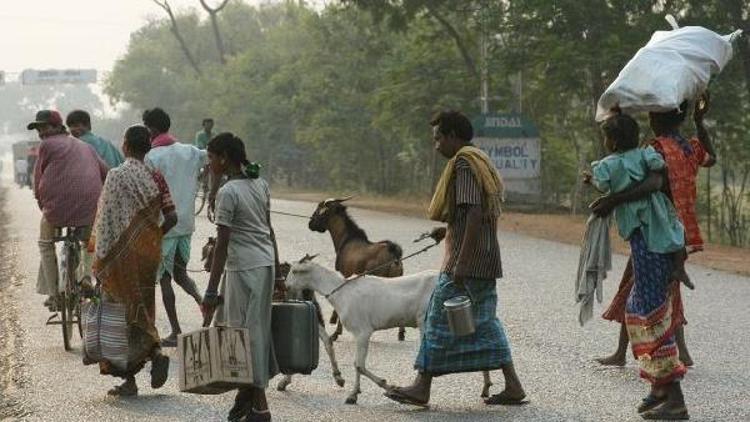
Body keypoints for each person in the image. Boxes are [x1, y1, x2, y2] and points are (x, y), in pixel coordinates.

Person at [384, 110, 526, 407]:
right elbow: (470, 213)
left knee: (436, 318)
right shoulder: (480, 158)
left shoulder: (463, 162)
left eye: (438, 138)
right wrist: (448, 230)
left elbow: (473, 211)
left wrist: (460, 261)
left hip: (468, 263)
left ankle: (421, 387)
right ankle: (513, 385)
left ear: (452, 136)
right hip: (486, 258)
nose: (435, 145)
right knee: (485, 321)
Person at [591, 94, 716, 420]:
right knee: (644, 302)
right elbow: (710, 158)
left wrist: (613, 198)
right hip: (674, 231)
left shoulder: (654, 149)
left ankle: (671, 393)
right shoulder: (688, 146)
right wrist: (700, 123)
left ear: (657, 118)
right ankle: (658, 386)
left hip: (655, 232)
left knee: (650, 309)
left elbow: (652, 181)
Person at [201, 132, 283, 422]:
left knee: (244, 337)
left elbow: (222, 245)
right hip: (263, 266)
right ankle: (246, 397)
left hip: (244, 270)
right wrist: (279, 275)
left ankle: (260, 407)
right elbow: (269, 230)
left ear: (224, 158)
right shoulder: (259, 183)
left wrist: (211, 292)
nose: (208, 163)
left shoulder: (228, 193)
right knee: (255, 332)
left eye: (211, 158)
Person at [89, 125, 176, 396]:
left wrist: (99, 259)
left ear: (125, 146)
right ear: (148, 147)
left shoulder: (116, 175)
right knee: (143, 308)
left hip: (119, 258)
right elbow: (172, 217)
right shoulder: (156, 176)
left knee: (121, 315)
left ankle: (130, 380)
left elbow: (105, 221)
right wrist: (151, 238)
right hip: (148, 256)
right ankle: (155, 351)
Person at [584, 114, 689, 286]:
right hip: (655, 208)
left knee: (644, 249)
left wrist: (592, 181)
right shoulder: (646, 154)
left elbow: (602, 186)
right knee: (674, 232)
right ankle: (678, 267)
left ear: (614, 141)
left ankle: (651, 289)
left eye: (606, 138)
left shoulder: (607, 165)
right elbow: (659, 166)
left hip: (633, 216)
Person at [28, 110, 108, 310]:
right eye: (38, 129)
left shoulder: (46, 145)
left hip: (56, 209)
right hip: (89, 207)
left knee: (46, 243)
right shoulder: (85, 146)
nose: (41, 132)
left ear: (57, 127)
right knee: (90, 240)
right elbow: (105, 171)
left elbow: (38, 179)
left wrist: (41, 203)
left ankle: (54, 294)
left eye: (44, 127)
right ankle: (87, 276)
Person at [142, 107, 205, 347]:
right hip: (186, 224)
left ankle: (176, 330)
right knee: (181, 273)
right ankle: (203, 303)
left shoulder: (152, 157)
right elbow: (209, 157)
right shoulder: (190, 151)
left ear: (152, 129)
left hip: (164, 226)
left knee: (165, 278)